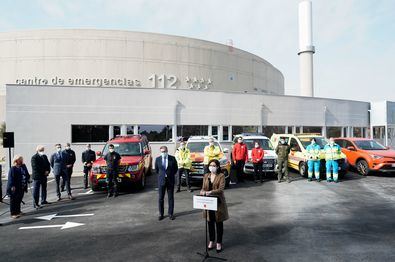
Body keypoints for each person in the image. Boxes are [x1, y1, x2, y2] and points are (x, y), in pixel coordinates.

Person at [200, 159, 229, 253]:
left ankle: (219, 242)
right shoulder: (206, 175)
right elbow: (203, 188)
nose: (211, 167)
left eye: (214, 165)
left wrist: (210, 192)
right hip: (208, 203)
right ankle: (212, 240)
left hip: (218, 203)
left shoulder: (221, 176)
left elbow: (221, 189)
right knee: (210, 223)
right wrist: (202, 191)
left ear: (217, 167)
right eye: (210, 165)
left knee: (219, 223)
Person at [155, 146, 178, 221]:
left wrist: (169, 175)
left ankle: (170, 214)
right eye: (162, 151)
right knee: (160, 198)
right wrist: (162, 176)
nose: (163, 153)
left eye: (164, 151)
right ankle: (161, 214)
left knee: (171, 198)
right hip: (161, 181)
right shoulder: (158, 159)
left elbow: (175, 169)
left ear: (167, 151)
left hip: (170, 181)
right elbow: (157, 170)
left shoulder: (172, 158)